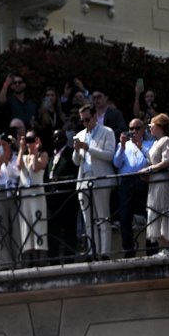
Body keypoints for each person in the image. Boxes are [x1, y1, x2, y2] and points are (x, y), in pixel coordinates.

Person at [73, 104, 116, 259]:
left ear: (95, 117)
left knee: (103, 218)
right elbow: (76, 161)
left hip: (100, 178)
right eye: (82, 121)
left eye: (87, 119)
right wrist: (77, 150)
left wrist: (89, 148)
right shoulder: (80, 134)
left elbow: (110, 155)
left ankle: (105, 253)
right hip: (84, 179)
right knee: (88, 221)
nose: (85, 123)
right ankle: (93, 252)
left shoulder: (107, 132)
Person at [114, 119, 149, 258]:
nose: (134, 131)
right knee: (125, 217)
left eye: (137, 128)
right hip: (126, 181)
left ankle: (152, 248)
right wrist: (122, 146)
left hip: (143, 180)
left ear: (143, 129)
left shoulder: (149, 144)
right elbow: (117, 163)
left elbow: (151, 161)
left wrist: (141, 146)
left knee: (149, 215)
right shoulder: (122, 145)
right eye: (131, 128)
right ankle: (128, 250)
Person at [142, 114, 169, 256]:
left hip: (162, 181)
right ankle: (164, 248)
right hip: (154, 182)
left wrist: (149, 169)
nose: (149, 127)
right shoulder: (155, 142)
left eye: (152, 124)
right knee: (155, 213)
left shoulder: (165, 140)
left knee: (164, 212)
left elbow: (167, 161)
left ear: (159, 126)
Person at [46, 126, 80, 263]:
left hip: (67, 199)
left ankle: (69, 259)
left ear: (65, 139)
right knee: (53, 230)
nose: (56, 140)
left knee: (69, 230)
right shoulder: (52, 156)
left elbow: (75, 175)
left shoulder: (70, 154)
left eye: (59, 137)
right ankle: (53, 260)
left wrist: (59, 180)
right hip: (53, 200)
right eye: (54, 138)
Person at [17, 130, 48, 263]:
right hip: (25, 196)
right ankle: (32, 259)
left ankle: (41, 259)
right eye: (27, 140)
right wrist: (21, 148)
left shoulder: (43, 155)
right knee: (27, 226)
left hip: (37, 195)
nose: (29, 143)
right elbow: (18, 165)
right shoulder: (24, 156)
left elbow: (35, 167)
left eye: (32, 139)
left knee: (39, 225)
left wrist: (35, 151)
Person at [0, 134, 19, 267]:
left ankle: (19, 260)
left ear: (9, 145)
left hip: (14, 192)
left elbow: (17, 174)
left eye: (4, 145)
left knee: (16, 227)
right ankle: (5, 262)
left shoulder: (16, 157)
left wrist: (7, 162)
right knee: (1, 227)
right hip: (0, 192)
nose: (1, 148)